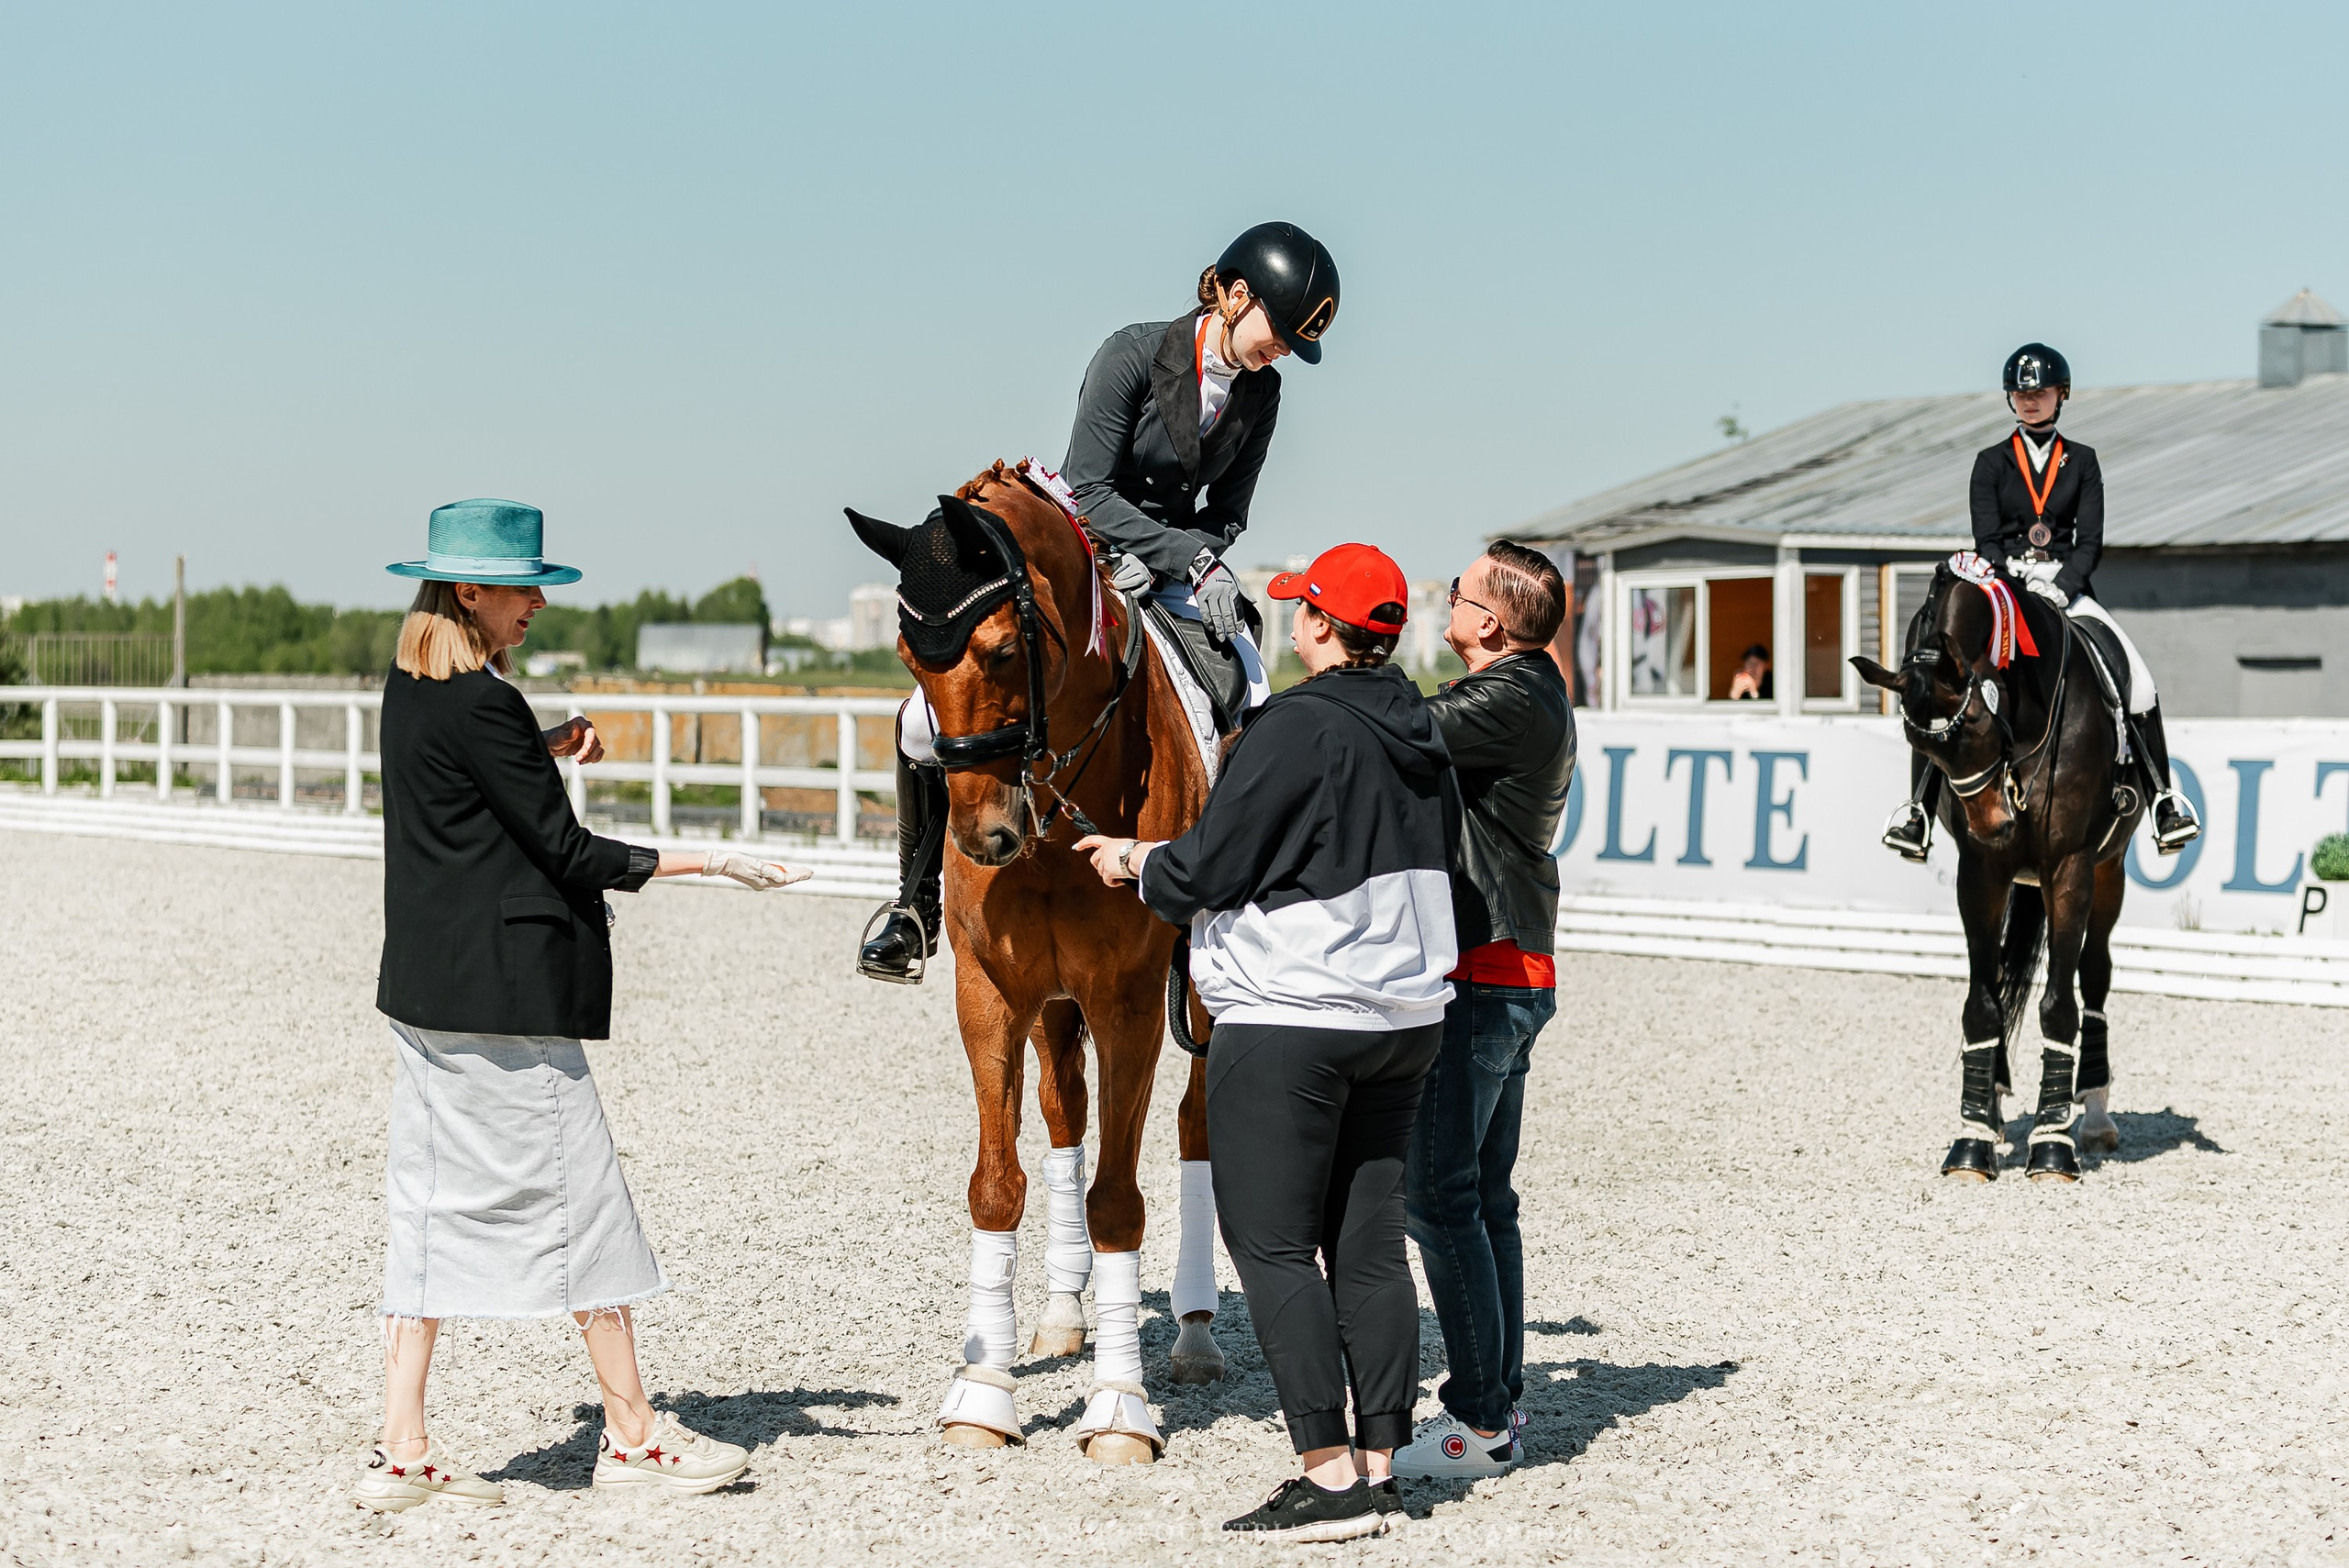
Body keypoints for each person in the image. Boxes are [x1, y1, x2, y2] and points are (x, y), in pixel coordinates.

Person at [356, 499, 807, 1513]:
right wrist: (710, 858)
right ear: (469, 589)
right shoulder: (482, 700)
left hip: (427, 996)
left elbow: (473, 779)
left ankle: (400, 1446)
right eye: (523, 589)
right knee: (585, 1204)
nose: (535, 607)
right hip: (508, 1000)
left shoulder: (415, 687)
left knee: (426, 1211)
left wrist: (546, 739)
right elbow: (563, 852)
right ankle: (634, 1436)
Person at [1073, 543, 1454, 1542]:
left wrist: (1132, 860)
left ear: (1324, 626)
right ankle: (1379, 1461)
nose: (1290, 624)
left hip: (1294, 1017)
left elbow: (1209, 868)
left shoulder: (1292, 725)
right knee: (1368, 1245)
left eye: (1301, 611)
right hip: (1405, 1015)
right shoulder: (1421, 725)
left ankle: (1326, 1478)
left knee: (1275, 1242)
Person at [858, 220, 1341, 983]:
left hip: (1176, 575)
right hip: (1089, 556)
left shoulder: (1264, 392)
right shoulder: (1133, 354)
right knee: (922, 717)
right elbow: (1088, 488)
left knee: (1252, 684)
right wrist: (1162, 552)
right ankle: (913, 905)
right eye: (1279, 332)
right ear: (1236, 295)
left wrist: (1202, 563)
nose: (1281, 349)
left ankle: (1223, 908)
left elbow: (1229, 509)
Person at [1391, 543, 1577, 1482]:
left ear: (1490, 623)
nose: (1447, 602)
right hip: (1513, 963)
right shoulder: (1533, 689)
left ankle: (1477, 1420)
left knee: (1437, 1196)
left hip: (1483, 967)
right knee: (1485, 1196)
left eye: (1456, 594)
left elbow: (1402, 727)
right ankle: (1500, 1391)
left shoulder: (1507, 695)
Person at [1881, 344, 2202, 862]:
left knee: (2139, 682)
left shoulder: (2084, 461)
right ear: (2011, 399)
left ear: (2061, 396)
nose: (2031, 402)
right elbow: (1987, 541)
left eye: (2041, 393)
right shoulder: (1990, 463)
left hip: (2067, 585)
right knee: (1939, 681)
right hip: (2005, 588)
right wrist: (2013, 583)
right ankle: (1918, 809)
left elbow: (2091, 542)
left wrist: (2063, 584)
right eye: (2022, 394)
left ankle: (2165, 800)